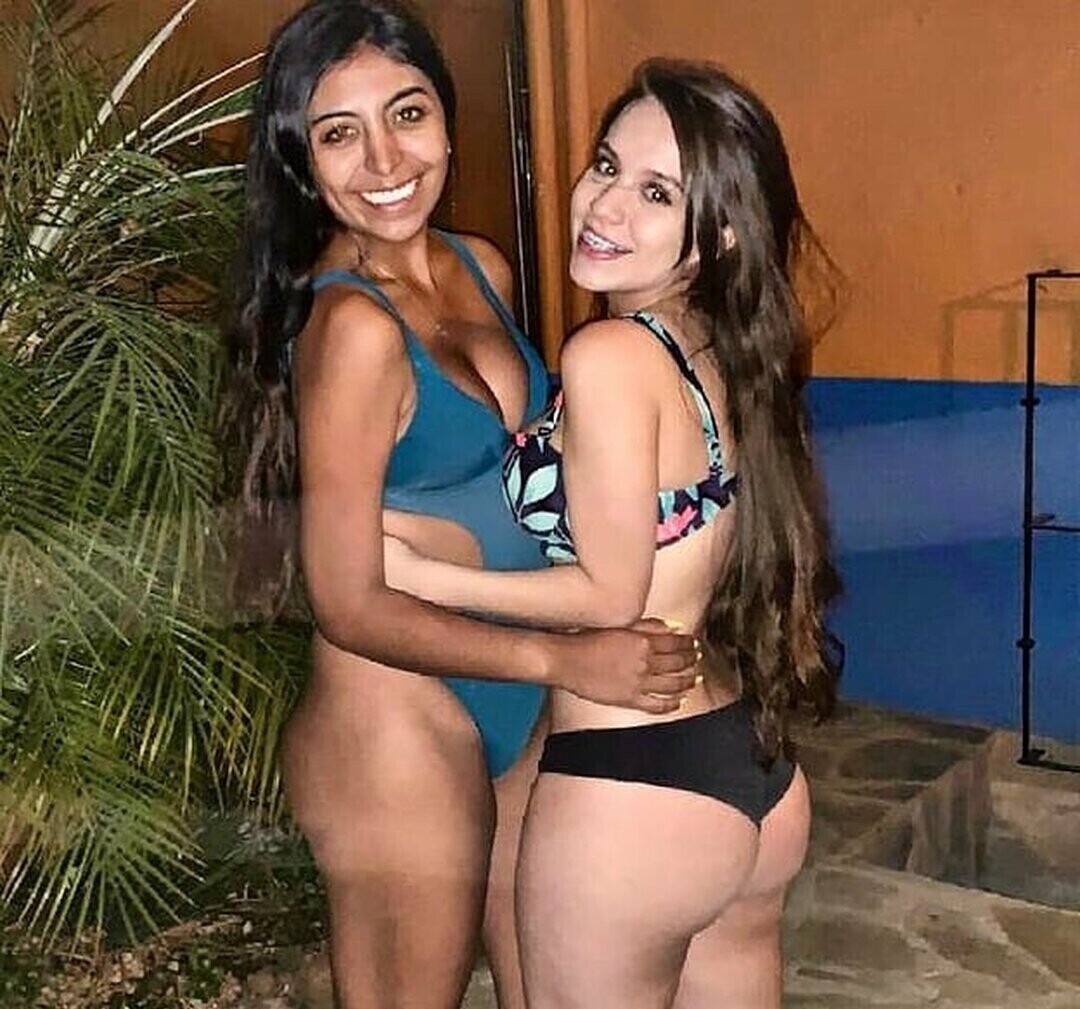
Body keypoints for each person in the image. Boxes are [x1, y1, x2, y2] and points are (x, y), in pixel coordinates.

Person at [224, 4, 700, 1008]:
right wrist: (565, 658)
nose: (384, 160)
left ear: (446, 118)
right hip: (395, 712)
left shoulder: (481, 266)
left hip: (516, 691)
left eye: (408, 114)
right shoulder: (350, 328)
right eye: (339, 133)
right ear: (301, 158)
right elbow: (346, 600)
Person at [384, 58, 843, 1009]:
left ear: (718, 231)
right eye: (605, 164)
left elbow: (607, 594)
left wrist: (420, 575)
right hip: (746, 768)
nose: (605, 203)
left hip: (631, 791)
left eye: (657, 192)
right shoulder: (718, 347)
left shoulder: (609, 354)